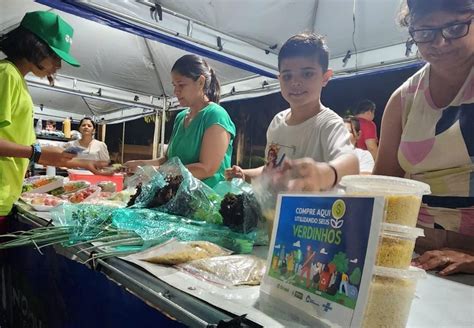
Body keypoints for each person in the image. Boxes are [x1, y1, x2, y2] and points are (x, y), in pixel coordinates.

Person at [374, 0, 474, 275]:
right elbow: (382, 190)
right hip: (420, 253)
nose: (440, 43)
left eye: (455, 28)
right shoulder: (404, 99)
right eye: (426, 33)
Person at [0, 11, 108, 222]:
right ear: (35, 47)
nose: (58, 65)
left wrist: (83, 164)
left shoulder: (18, 80)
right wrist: (36, 153)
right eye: (55, 56)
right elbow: (31, 151)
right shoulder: (6, 74)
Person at [226, 33, 358, 192]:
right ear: (279, 78)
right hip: (275, 214)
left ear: (325, 77)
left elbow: (351, 163)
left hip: (312, 215)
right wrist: (243, 174)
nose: (295, 82)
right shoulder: (277, 121)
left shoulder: (329, 124)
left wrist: (322, 175)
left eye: (307, 73)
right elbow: (271, 170)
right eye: (287, 76)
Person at [124, 54, 236, 187]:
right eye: (174, 85)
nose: (176, 91)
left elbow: (207, 169)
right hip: (177, 199)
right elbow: (168, 160)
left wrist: (154, 172)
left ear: (200, 82)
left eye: (181, 85)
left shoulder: (216, 115)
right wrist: (141, 164)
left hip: (208, 201)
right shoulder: (181, 117)